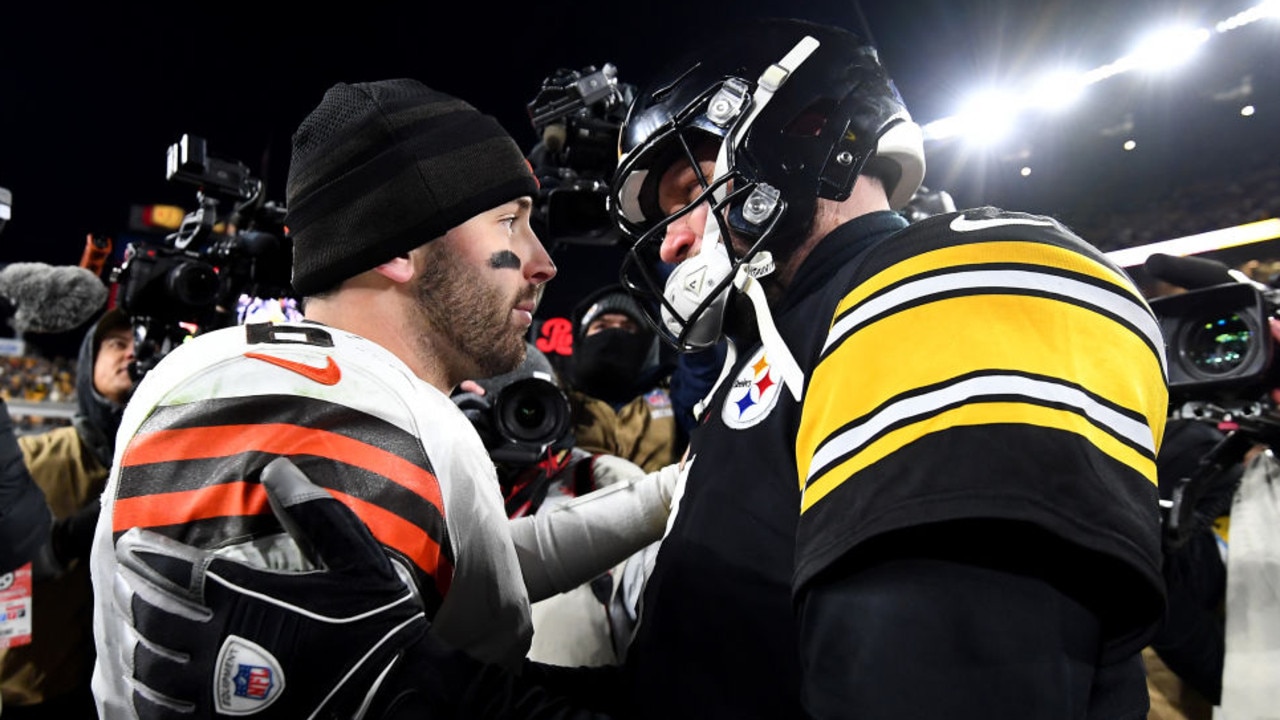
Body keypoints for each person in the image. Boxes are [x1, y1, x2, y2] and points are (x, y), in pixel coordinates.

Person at [116, 18, 1170, 719]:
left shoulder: (970, 286)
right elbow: (713, 686)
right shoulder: (804, 342)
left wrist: (439, 703)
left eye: (676, 195)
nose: (665, 243)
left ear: (798, 136)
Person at [90, 78, 674, 720]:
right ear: (398, 249)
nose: (543, 262)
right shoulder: (332, 403)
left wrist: (668, 497)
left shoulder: (291, 376)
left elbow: (459, 576)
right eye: (509, 221)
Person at [455, 342, 648, 667]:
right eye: (506, 404)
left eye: (533, 405)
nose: (522, 419)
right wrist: (448, 438)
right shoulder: (436, 482)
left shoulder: (605, 481)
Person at [1, 308, 134, 718]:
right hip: (28, 691)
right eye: (117, 344)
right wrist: (57, 544)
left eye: (141, 342)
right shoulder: (34, 460)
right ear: (87, 364)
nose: (132, 353)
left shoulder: (172, 468)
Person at [564, 285, 682, 472]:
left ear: (646, 346)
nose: (614, 335)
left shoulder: (675, 397)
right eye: (601, 326)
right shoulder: (558, 400)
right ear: (580, 339)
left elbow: (705, 367)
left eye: (628, 328)